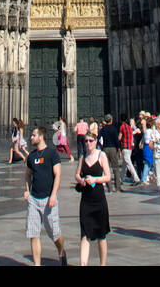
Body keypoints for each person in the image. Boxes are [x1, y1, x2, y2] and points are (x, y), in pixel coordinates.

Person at [24, 125, 67, 266]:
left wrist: (54, 195)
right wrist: (27, 191)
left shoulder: (52, 154)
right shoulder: (31, 156)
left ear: (41, 137)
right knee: (33, 234)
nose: (31, 137)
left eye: (33, 135)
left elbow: (58, 174)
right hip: (34, 199)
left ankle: (61, 251)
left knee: (55, 233)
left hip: (49, 199)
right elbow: (27, 175)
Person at [74, 128, 111, 265]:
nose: (88, 143)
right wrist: (81, 180)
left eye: (91, 141)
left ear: (96, 141)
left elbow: (108, 177)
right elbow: (77, 174)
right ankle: (83, 264)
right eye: (86, 141)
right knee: (85, 234)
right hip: (86, 201)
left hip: (99, 200)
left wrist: (95, 180)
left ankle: (103, 264)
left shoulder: (102, 156)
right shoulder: (83, 158)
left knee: (101, 235)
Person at [100, 114, 121, 193]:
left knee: (106, 169)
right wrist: (119, 150)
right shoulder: (114, 129)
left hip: (105, 149)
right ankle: (118, 188)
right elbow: (116, 140)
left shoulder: (103, 129)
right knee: (115, 168)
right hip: (113, 149)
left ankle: (109, 188)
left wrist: (101, 146)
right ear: (111, 120)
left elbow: (98, 139)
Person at [119, 115, 140, 185]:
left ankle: (136, 178)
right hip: (129, 147)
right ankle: (120, 179)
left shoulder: (122, 127)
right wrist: (132, 144)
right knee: (125, 164)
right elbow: (131, 137)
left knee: (129, 163)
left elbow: (119, 137)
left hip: (124, 146)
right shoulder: (129, 127)